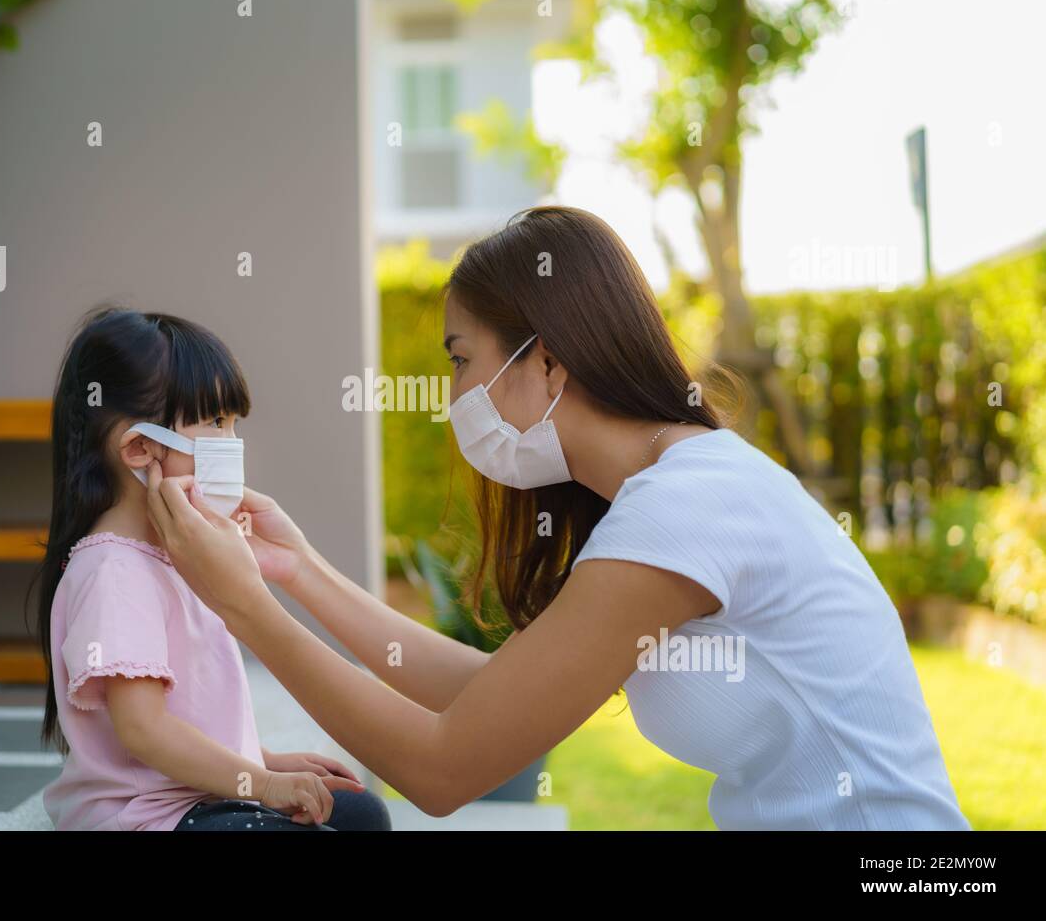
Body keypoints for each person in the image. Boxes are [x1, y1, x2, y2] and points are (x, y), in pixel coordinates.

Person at [144, 207, 970, 830]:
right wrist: (298, 573)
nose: (454, 393)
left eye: (461, 359)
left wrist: (247, 607)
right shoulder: (663, 494)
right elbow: (490, 699)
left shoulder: (685, 507)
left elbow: (444, 767)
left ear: (542, 359)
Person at [33, 307, 390, 831]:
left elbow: (193, 716)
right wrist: (263, 785)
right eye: (217, 423)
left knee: (362, 814)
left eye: (234, 422)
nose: (232, 441)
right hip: (149, 820)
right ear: (140, 448)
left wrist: (265, 760)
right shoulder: (114, 571)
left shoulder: (178, 555)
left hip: (199, 802)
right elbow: (145, 730)